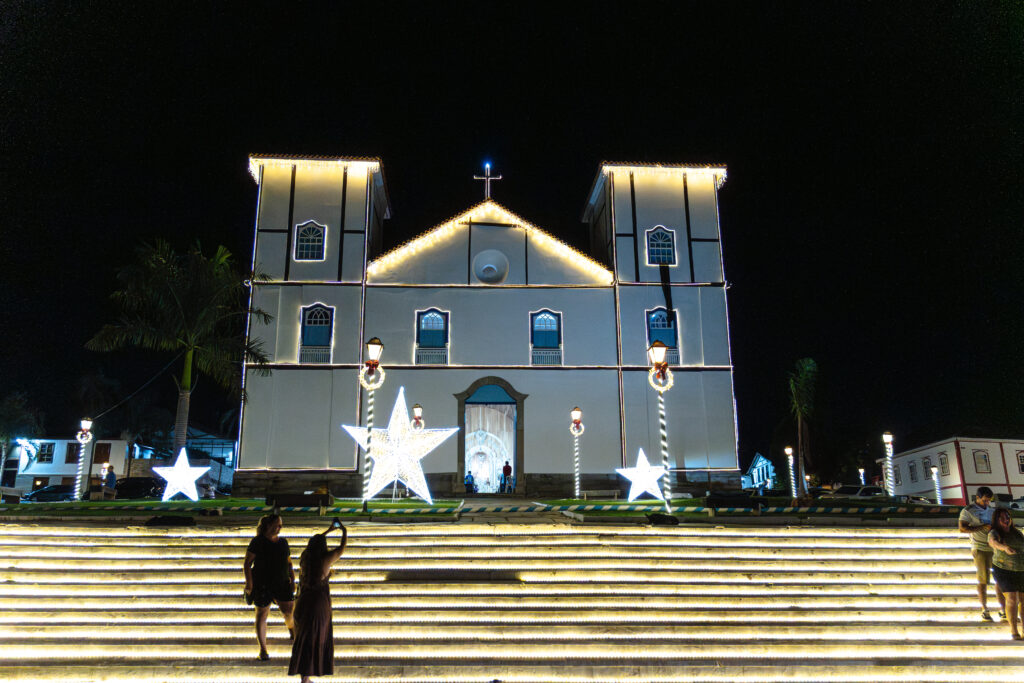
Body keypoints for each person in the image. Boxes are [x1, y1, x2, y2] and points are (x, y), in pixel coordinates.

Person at [289, 518, 348, 682]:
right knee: (315, 638)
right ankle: (307, 676)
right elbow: (341, 549)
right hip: (318, 604)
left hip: (302, 602)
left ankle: (304, 676)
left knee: (304, 639)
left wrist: (328, 531)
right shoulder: (325, 559)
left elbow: (315, 542)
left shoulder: (305, 557)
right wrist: (343, 531)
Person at [244, 514, 296, 660]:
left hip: (282, 582)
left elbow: (289, 562)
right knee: (262, 615)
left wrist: (293, 579)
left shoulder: (283, 542)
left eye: (281, 525)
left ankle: (292, 629)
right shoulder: (257, 542)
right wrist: (249, 583)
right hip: (262, 583)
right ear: (268, 525)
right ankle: (263, 649)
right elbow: (247, 563)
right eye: (277, 525)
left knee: (288, 612)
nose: (280, 528)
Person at [959, 486, 1006, 620]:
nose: (987, 503)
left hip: (994, 547)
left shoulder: (991, 510)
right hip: (979, 547)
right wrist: (982, 527)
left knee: (999, 579)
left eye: (989, 500)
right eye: (984, 500)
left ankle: (1003, 609)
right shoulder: (968, 511)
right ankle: (984, 609)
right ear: (977, 498)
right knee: (983, 580)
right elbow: (962, 528)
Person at [987, 508, 1024, 639]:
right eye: (1002, 518)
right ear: (997, 520)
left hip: (1021, 569)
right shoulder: (994, 532)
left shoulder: (1017, 533)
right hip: (1004, 570)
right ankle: (1014, 630)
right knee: (1012, 598)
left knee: (1023, 600)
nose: (1006, 520)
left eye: (1007, 517)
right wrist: (1005, 547)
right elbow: (993, 542)